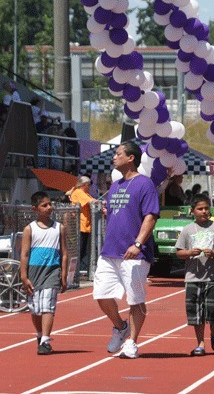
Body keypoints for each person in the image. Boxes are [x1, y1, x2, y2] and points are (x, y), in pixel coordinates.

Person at [93, 141, 159, 359]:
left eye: (118, 154)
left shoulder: (144, 184)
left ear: (131, 158)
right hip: (110, 251)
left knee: (135, 299)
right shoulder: (115, 186)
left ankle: (132, 341)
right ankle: (120, 327)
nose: (114, 157)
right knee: (101, 295)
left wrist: (138, 243)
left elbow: (150, 216)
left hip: (135, 253)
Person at [175, 193, 214, 356]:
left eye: (206, 208)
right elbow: (179, 252)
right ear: (192, 211)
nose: (204, 211)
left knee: (212, 309)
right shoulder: (187, 230)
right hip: (193, 277)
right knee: (195, 312)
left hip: (213, 276)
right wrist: (189, 252)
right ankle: (200, 343)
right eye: (200, 209)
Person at [20, 191, 69, 355]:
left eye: (50, 204)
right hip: (34, 271)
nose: (49, 207)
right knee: (35, 309)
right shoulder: (30, 229)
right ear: (35, 208)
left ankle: (46, 340)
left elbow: (64, 253)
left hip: (52, 271)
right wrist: (24, 276)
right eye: (44, 205)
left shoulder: (59, 228)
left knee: (48, 306)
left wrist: (63, 275)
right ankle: (40, 335)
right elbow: (25, 253)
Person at [69, 176, 95, 279]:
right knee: (79, 250)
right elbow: (91, 201)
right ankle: (73, 273)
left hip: (85, 226)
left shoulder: (84, 193)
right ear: (83, 185)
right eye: (88, 185)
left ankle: (75, 272)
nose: (89, 187)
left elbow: (91, 199)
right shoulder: (79, 192)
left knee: (83, 250)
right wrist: (99, 202)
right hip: (80, 225)